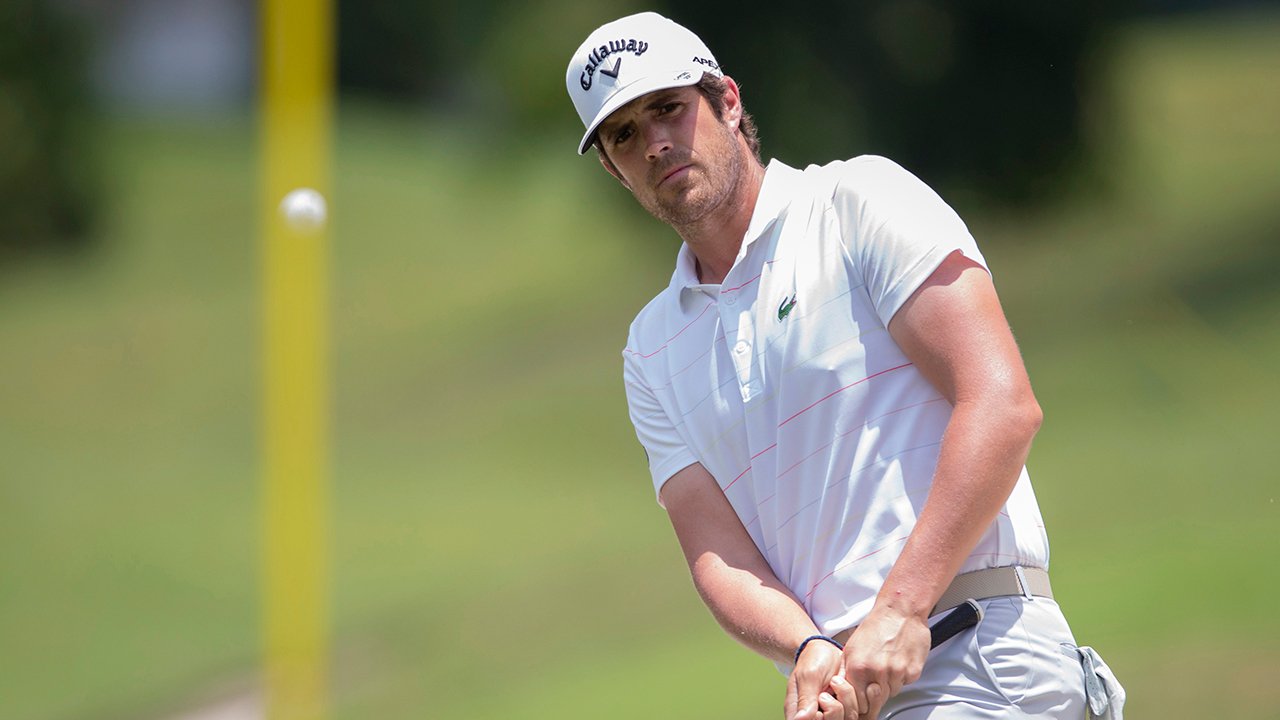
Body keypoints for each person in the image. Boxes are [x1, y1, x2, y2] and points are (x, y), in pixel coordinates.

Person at [565, 12, 1124, 720]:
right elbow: (719, 557)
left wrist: (901, 609)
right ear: (613, 170)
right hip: (849, 691)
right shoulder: (651, 349)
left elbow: (1001, 404)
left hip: (978, 649)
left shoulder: (855, 203)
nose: (655, 143)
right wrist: (806, 648)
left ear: (727, 101)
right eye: (623, 135)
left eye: (669, 108)